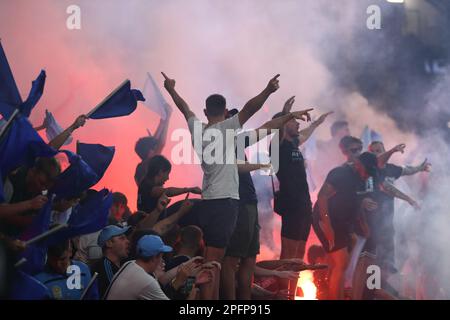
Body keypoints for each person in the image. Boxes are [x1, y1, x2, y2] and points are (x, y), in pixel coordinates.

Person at [162, 71, 280, 299]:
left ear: (206, 112)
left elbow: (185, 108)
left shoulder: (198, 128)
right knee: (213, 263)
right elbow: (249, 109)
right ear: (226, 112)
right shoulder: (227, 129)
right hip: (225, 203)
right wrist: (268, 90)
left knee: (213, 260)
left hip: (209, 202)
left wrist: (170, 89)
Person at [270, 98, 332, 297]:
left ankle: (290, 293)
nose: (298, 122)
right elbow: (278, 129)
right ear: (283, 124)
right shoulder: (276, 146)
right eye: (293, 120)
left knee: (299, 254)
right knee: (288, 254)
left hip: (304, 204)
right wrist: (286, 110)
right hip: (290, 205)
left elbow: (305, 133)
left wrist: (316, 123)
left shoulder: (294, 143)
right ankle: (281, 293)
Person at [312, 152, 380, 300]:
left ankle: (331, 294)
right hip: (327, 219)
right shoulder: (341, 174)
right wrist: (328, 227)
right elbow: (322, 196)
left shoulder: (362, 179)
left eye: (370, 173)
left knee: (341, 262)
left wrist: (363, 223)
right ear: (358, 165)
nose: (368, 175)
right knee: (342, 262)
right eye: (366, 171)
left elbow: (358, 202)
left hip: (343, 222)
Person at [0, 157, 61, 237]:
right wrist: (30, 204)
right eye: (41, 183)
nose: (42, 188)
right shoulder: (12, 179)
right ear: (33, 170)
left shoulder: (39, 194)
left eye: (47, 187)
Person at [73, 192, 129, 265]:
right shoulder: (96, 231)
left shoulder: (118, 227)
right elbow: (96, 263)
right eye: (115, 206)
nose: (118, 210)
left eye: (122, 207)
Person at [134, 106, 172, 186]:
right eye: (154, 149)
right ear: (149, 152)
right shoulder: (150, 165)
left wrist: (162, 123)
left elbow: (154, 142)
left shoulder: (140, 168)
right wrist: (168, 117)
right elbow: (161, 143)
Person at [91, 225, 130, 298]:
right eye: (122, 238)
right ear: (109, 243)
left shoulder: (122, 264)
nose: (127, 241)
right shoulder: (104, 267)